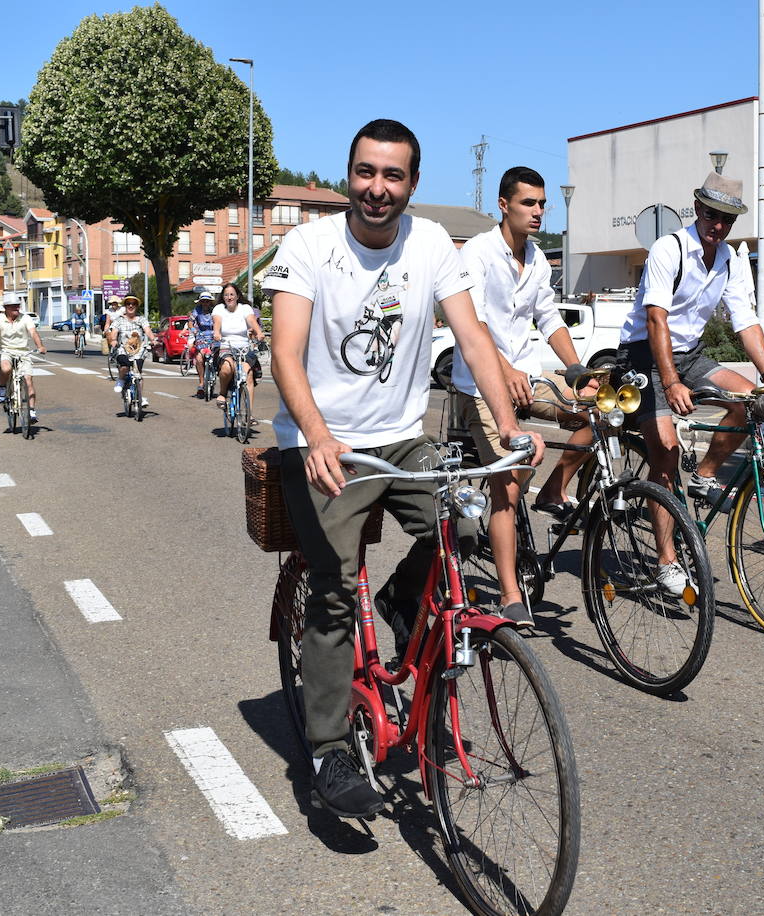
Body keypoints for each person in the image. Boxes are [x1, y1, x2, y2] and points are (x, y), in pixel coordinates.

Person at [265, 118, 545, 820]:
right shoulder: (309, 246)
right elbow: (286, 354)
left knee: (466, 525)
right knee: (331, 587)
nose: (377, 189)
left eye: (393, 176)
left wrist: (509, 425)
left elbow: (474, 337)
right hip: (328, 446)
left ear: (412, 184)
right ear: (347, 177)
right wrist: (319, 437)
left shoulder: (430, 246)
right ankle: (329, 750)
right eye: (366, 173)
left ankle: (400, 602)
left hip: (400, 439)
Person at [619, 171, 764, 593]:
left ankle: (706, 473)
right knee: (667, 453)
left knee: (752, 403)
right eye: (713, 215)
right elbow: (656, 318)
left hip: (689, 354)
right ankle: (666, 560)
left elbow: (744, 319)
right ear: (697, 209)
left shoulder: (730, 258)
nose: (718, 226)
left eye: (727, 220)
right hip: (644, 353)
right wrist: (671, 382)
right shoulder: (669, 249)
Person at [453, 165, 596, 626]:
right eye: (528, 203)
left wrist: (576, 372)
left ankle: (555, 490)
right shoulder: (477, 252)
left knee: (600, 414)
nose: (538, 212)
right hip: (480, 383)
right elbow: (471, 324)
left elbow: (550, 319)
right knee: (509, 482)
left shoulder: (536, 259)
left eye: (541, 204)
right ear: (504, 204)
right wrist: (505, 368)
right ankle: (511, 594)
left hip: (526, 375)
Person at [0, 292, 47, 422]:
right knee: (6, 368)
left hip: (23, 352)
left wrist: (40, 346)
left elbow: (33, 332)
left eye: (18, 306)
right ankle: (2, 389)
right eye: (13, 306)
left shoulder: (25, 318)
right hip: (6, 351)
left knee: (28, 380)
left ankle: (31, 411)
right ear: (6, 308)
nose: (16, 308)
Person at [212, 283, 264, 415]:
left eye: (232, 294)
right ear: (223, 297)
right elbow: (217, 323)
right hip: (226, 345)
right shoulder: (219, 309)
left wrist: (259, 332)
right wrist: (217, 333)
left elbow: (252, 321)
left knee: (248, 375)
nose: (229, 297)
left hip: (244, 347)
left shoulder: (245, 308)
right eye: (226, 295)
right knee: (227, 368)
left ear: (237, 296)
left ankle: (249, 415)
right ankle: (223, 393)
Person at [106, 295, 156, 408]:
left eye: (133, 303)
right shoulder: (119, 320)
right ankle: (121, 380)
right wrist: (113, 340)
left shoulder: (141, 319)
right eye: (128, 303)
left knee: (138, 373)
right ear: (125, 306)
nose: (131, 306)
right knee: (124, 367)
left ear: (137, 306)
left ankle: (140, 397)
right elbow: (114, 332)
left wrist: (153, 340)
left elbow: (147, 330)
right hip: (123, 349)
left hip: (138, 350)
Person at [188, 290, 217, 398]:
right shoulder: (197, 311)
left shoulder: (215, 311)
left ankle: (215, 373)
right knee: (199, 358)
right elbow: (190, 322)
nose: (205, 303)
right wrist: (193, 329)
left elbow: (220, 321)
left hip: (214, 336)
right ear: (200, 302)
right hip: (201, 336)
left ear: (210, 302)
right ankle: (201, 382)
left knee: (218, 356)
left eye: (207, 301)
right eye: (203, 301)